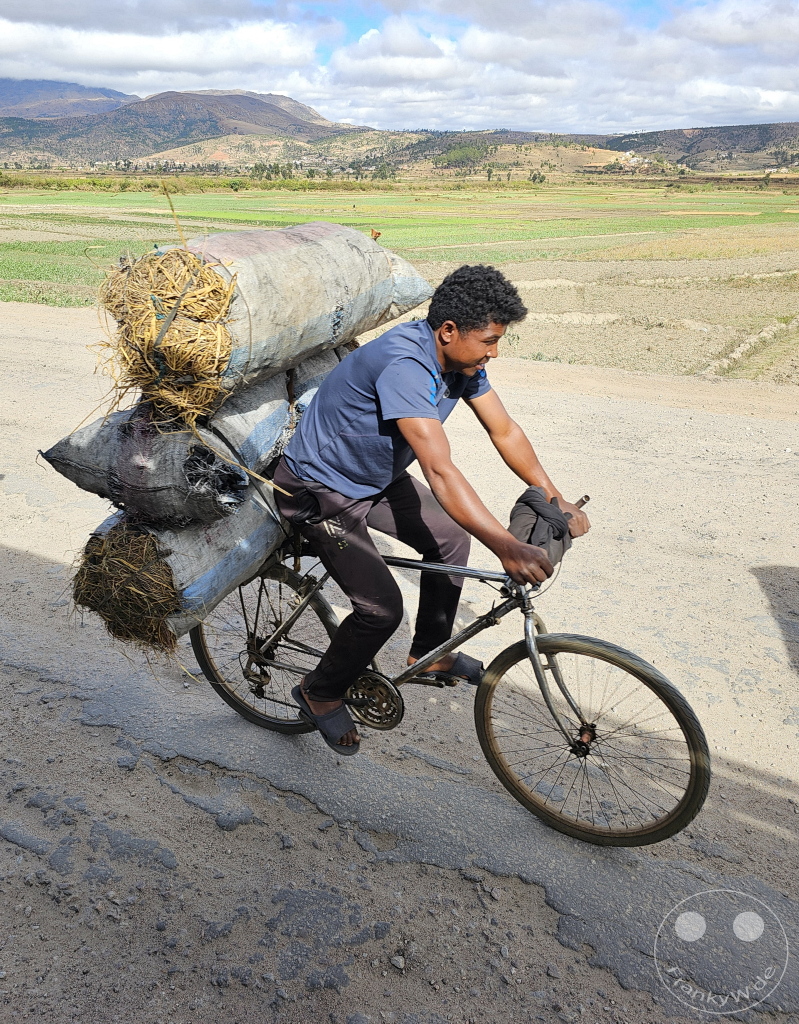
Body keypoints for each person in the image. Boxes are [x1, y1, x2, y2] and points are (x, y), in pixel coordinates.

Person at [273, 264, 590, 755]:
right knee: (380, 611)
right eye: (488, 341)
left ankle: (431, 654)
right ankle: (319, 692)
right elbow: (440, 471)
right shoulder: (406, 365)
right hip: (319, 489)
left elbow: (503, 430)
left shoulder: (462, 365)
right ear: (448, 331)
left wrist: (553, 497)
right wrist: (505, 545)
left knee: (450, 539)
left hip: (373, 481)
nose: (494, 352)